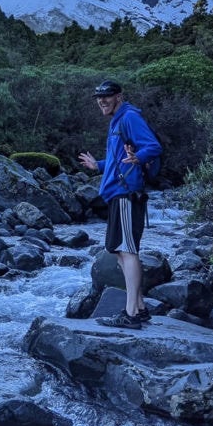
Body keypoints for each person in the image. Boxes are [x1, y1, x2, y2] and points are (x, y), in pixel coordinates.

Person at [78, 80, 162, 329]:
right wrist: (99, 166)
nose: (101, 101)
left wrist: (140, 157)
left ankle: (132, 313)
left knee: (127, 250)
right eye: (98, 97)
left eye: (107, 96)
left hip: (126, 193)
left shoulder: (129, 117)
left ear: (119, 97)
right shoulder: (118, 121)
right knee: (119, 252)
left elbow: (153, 146)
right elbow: (118, 159)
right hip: (118, 192)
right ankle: (141, 307)